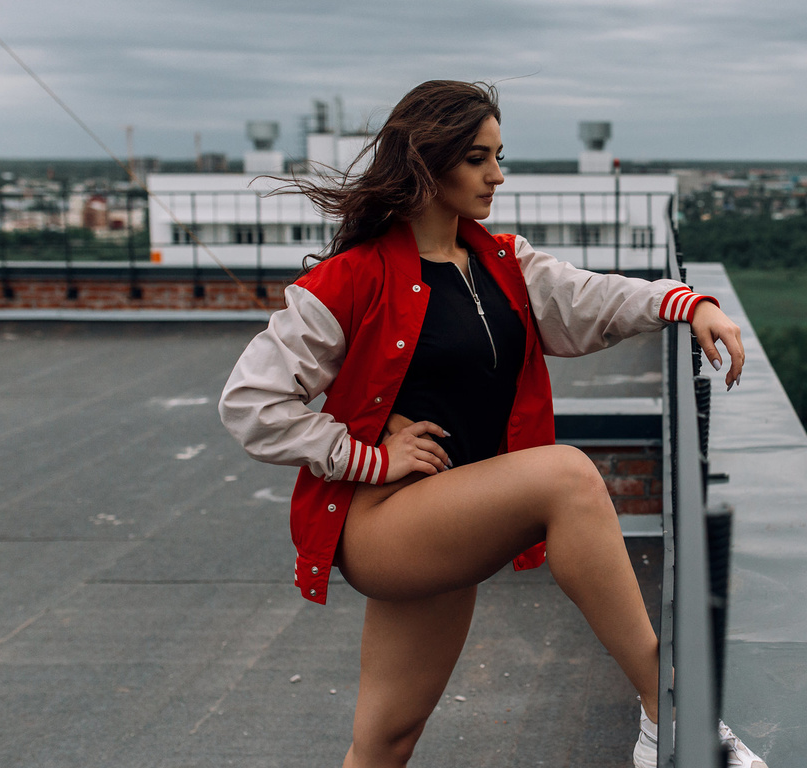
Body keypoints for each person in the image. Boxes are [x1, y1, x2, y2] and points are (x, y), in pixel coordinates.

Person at [219, 80, 766, 768]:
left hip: (447, 516)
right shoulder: (352, 279)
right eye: (478, 158)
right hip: (382, 522)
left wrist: (687, 304)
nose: (497, 175)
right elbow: (249, 403)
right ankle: (672, 712)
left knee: (384, 744)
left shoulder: (503, 264)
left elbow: (594, 298)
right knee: (566, 477)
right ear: (427, 162)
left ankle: (671, 713)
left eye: (498, 156)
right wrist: (367, 457)